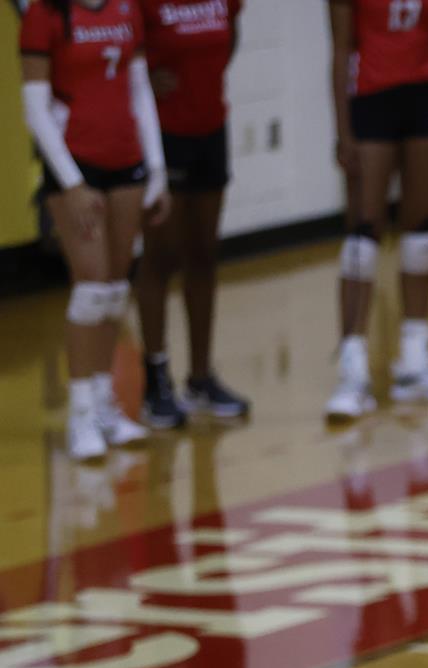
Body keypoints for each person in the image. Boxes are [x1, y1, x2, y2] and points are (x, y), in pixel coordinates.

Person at [18, 0, 168, 461]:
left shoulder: (127, 8)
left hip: (126, 161)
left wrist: (157, 168)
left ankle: (106, 405)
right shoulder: (45, 13)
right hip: (75, 166)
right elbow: (35, 110)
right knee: (91, 288)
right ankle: (80, 413)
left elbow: (139, 89)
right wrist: (72, 183)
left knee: (117, 288)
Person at [326, 0, 428, 420]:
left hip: (424, 95)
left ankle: (415, 360)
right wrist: (343, 131)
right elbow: (340, 50)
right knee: (363, 231)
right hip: (371, 97)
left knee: (422, 227)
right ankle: (352, 370)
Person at [135, 0, 250, 429]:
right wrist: (143, 81)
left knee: (203, 253)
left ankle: (200, 379)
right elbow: (119, 54)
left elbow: (230, 35)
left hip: (211, 128)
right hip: (163, 134)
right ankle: (155, 380)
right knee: (161, 256)